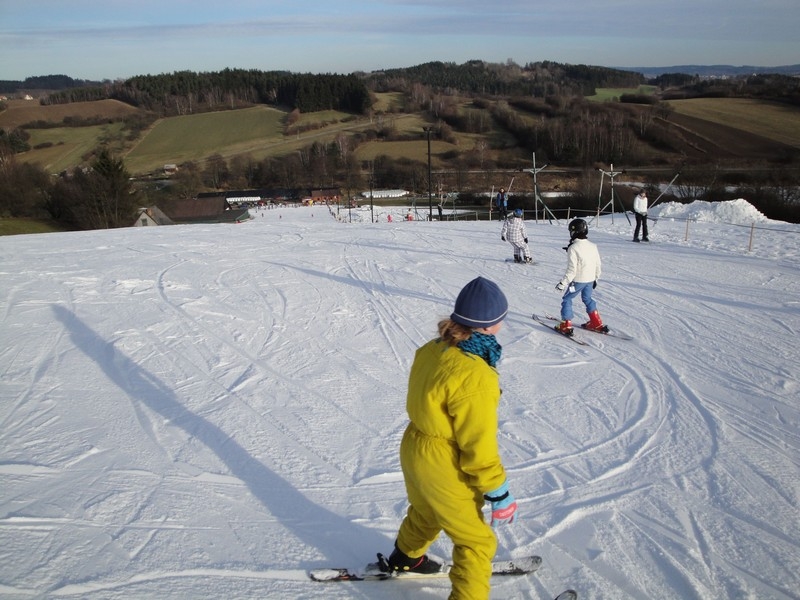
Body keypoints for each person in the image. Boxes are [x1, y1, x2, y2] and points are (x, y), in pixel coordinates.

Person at [379, 276, 517, 599]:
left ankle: (405, 557)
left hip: (414, 446)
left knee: (426, 511)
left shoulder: (434, 347)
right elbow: (478, 445)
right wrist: (497, 490)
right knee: (476, 541)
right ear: (489, 325)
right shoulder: (476, 376)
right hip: (443, 461)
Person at [554, 218, 607, 335]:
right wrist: (596, 278)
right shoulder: (593, 246)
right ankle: (596, 322)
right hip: (590, 280)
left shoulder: (573, 248)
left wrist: (563, 283)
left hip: (577, 281)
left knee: (567, 298)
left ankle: (566, 324)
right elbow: (597, 264)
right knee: (587, 299)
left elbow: (572, 270)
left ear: (574, 232)